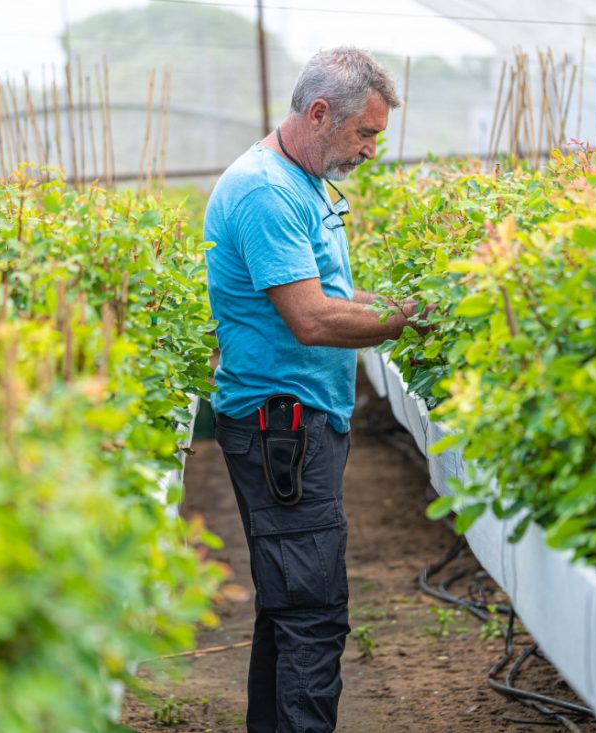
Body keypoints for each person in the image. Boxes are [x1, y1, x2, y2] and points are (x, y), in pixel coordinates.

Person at [203, 47, 429, 733]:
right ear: (320, 113)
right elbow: (312, 317)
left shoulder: (298, 183)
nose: (369, 150)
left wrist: (411, 303)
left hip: (295, 426)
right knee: (312, 614)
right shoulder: (267, 192)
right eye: (364, 134)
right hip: (284, 432)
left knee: (288, 604)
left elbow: (330, 291)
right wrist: (401, 322)